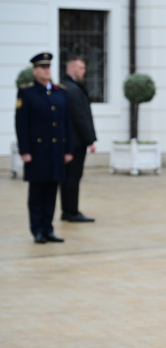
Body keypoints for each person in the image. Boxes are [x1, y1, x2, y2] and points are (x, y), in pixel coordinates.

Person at [15, 52, 74, 243]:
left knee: (51, 192)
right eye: (42, 67)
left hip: (56, 152)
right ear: (35, 71)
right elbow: (21, 124)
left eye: (48, 67)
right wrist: (24, 150)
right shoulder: (27, 92)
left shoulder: (60, 92)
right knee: (37, 194)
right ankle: (37, 230)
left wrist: (68, 150)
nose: (46, 70)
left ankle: (48, 229)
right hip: (37, 152)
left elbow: (66, 123)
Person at [59, 55, 98, 223]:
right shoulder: (72, 89)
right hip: (76, 142)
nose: (84, 71)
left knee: (67, 178)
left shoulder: (67, 86)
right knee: (73, 177)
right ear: (73, 68)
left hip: (69, 141)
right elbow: (79, 117)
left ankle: (67, 210)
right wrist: (90, 140)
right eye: (81, 68)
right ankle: (71, 212)